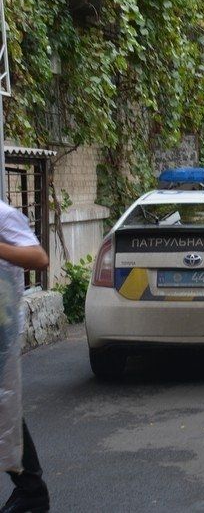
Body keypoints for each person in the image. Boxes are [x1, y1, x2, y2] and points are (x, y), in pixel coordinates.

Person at [0, 201, 50, 513]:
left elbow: (39, 258)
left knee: (4, 408)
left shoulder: (3, 216)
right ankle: (31, 488)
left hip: (0, 329)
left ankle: (31, 488)